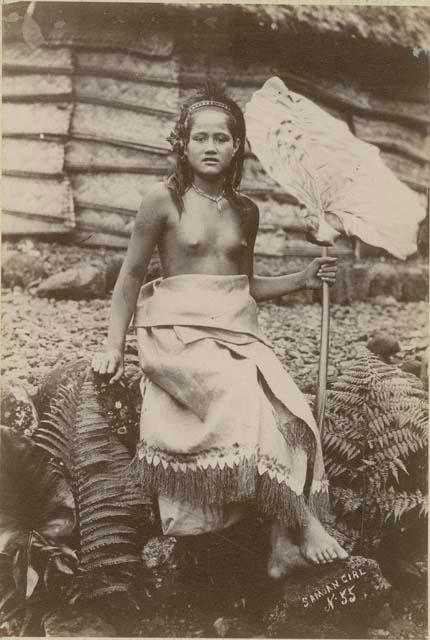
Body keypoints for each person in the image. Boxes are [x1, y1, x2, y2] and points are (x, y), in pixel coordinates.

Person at [91, 80, 348, 578]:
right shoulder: (162, 200)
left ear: (237, 147)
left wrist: (303, 277)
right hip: (176, 333)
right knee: (242, 394)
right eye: (201, 137)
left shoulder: (245, 211)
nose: (211, 147)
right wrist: (111, 346)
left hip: (236, 331)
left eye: (222, 138)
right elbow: (129, 277)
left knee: (291, 410)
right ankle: (304, 522)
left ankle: (280, 546)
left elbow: (245, 285)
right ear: (182, 145)